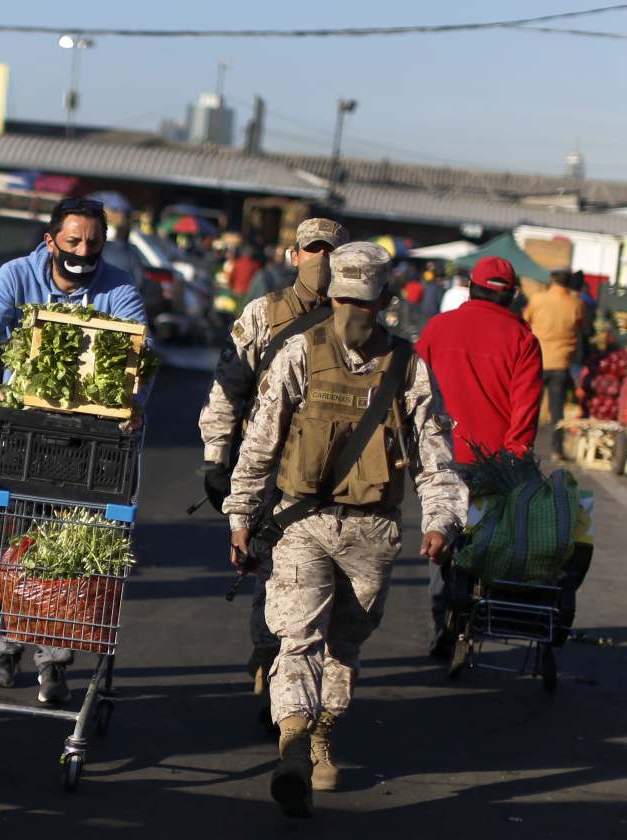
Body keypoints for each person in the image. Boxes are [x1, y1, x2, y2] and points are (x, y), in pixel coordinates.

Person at [224, 241, 465, 816]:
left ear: (383, 300)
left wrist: (442, 520)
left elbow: (433, 453)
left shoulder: (407, 368)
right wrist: (241, 513)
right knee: (300, 638)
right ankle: (296, 748)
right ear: (334, 296)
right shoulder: (300, 353)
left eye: (363, 301)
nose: (353, 311)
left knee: (343, 644)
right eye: (346, 299)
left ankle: (319, 733)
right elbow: (261, 440)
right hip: (302, 524)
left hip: (371, 532)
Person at [0, 196, 147, 704]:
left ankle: (54, 660)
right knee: (5, 539)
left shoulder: (119, 289)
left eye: (93, 242)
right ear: (50, 241)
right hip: (19, 433)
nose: (83, 251)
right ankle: (2, 648)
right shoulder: (17, 275)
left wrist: (131, 401)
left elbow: (139, 350)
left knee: (66, 546)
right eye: (72, 241)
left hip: (87, 443)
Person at [198, 217, 348, 727]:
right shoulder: (263, 313)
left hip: (329, 479)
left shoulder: (356, 321)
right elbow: (228, 387)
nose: (321, 260)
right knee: (274, 581)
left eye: (331, 252)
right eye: (313, 250)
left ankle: (288, 681)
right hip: (268, 472)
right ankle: (271, 663)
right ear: (294, 256)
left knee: (317, 589)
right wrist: (216, 457)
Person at [415, 257, 542, 655]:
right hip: (494, 462)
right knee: (488, 539)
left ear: (471, 287)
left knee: (442, 535)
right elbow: (526, 409)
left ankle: (443, 618)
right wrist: (514, 457)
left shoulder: (438, 327)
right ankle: (474, 611)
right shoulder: (523, 340)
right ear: (512, 296)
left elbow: (411, 390)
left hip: (440, 456)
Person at [524, 268, 588, 454]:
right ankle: (556, 448)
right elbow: (582, 327)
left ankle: (523, 445)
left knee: (529, 407)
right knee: (557, 409)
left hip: (536, 359)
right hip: (561, 362)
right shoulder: (576, 303)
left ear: (552, 280)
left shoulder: (537, 299)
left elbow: (526, 321)